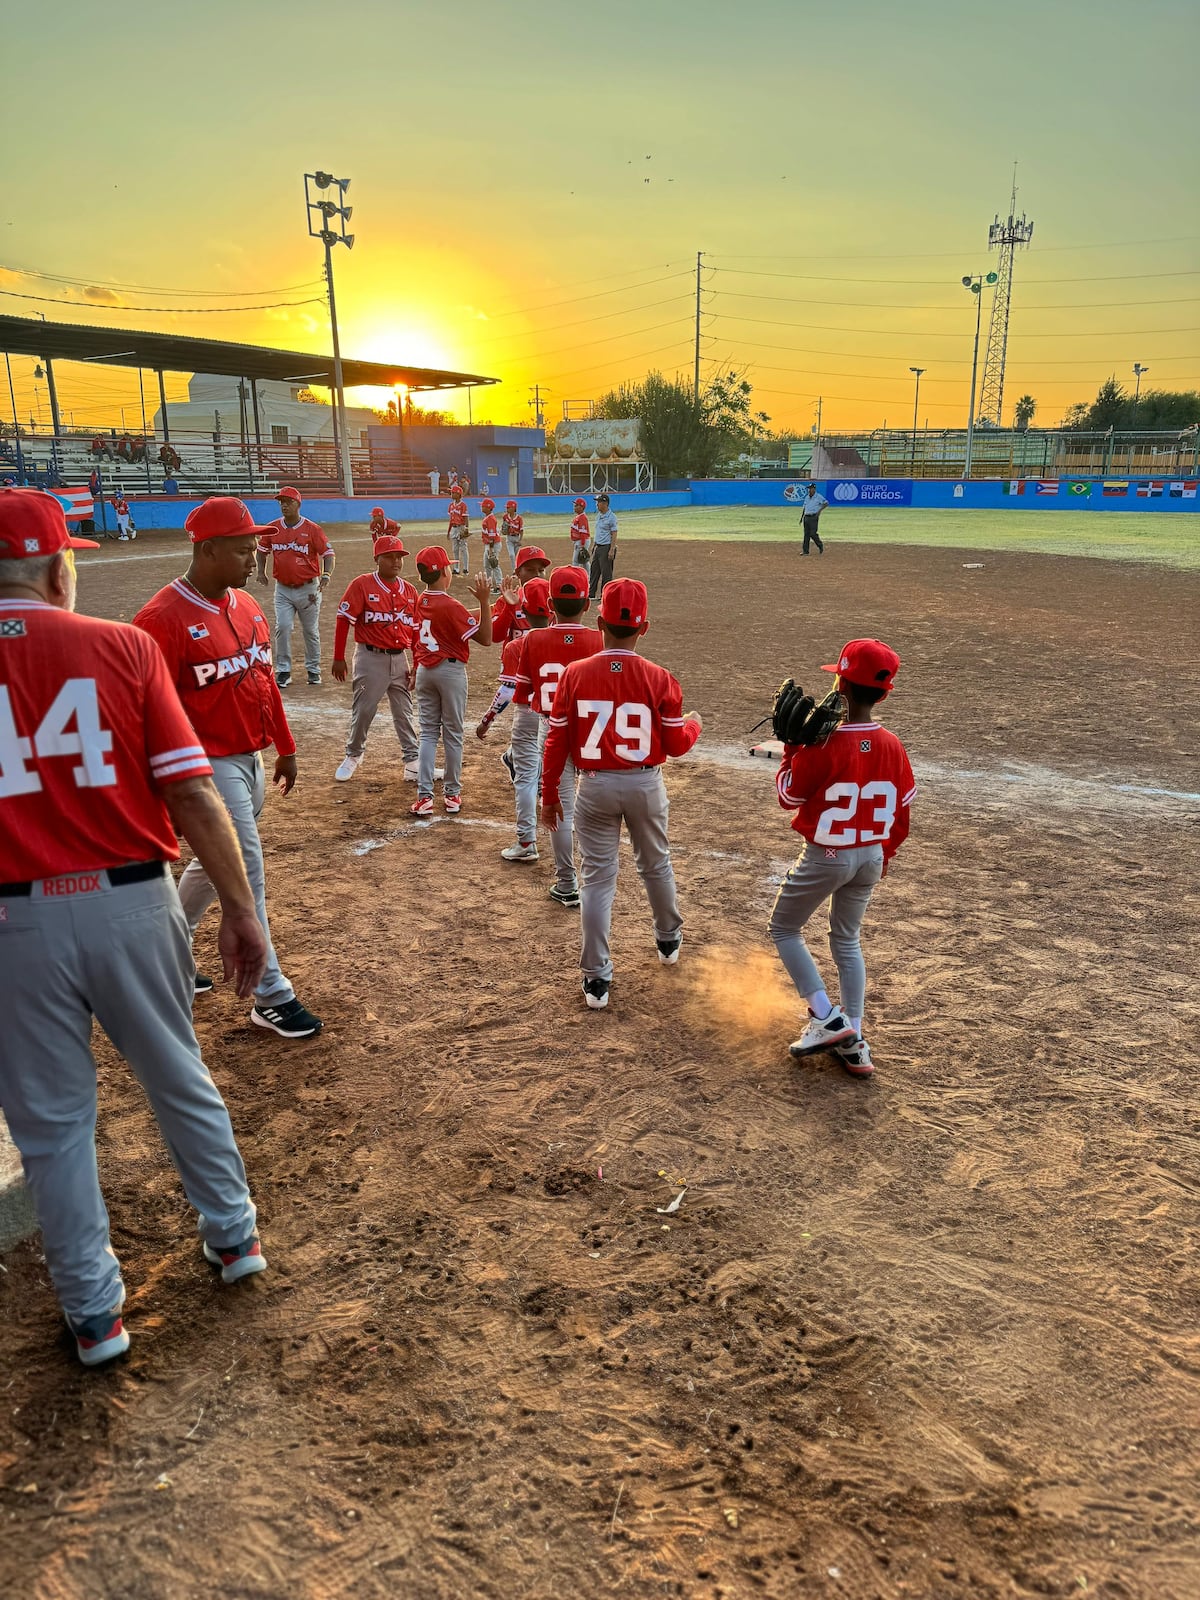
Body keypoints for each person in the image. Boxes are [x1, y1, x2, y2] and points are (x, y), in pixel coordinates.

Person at [0, 487, 270, 1367]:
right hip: (129, 899)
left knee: (51, 1126)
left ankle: (95, 1315)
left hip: (12, 925)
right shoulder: (120, 645)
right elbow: (192, 791)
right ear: (53, 564)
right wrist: (237, 905)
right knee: (174, 1074)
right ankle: (233, 1238)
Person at [133, 496, 323, 1040]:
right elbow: (140, 713)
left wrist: (284, 746)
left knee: (218, 864)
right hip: (204, 765)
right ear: (208, 550)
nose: (254, 556)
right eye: (243, 549)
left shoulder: (245, 604)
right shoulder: (160, 619)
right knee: (247, 873)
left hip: (252, 758)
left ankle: (168, 948)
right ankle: (272, 994)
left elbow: (263, 682)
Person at [541, 578, 701, 1009]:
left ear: (599, 623)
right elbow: (676, 746)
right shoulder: (659, 678)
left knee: (596, 880)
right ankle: (668, 939)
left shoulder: (575, 674)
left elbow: (555, 743)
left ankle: (597, 978)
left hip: (593, 786)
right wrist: (694, 724)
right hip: (644, 782)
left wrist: (549, 793)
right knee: (656, 864)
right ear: (643, 627)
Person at [768, 638, 915, 1077]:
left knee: (784, 928)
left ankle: (825, 1016)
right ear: (884, 692)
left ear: (840, 685)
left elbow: (787, 795)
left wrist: (793, 748)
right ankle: (854, 1038)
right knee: (846, 940)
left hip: (826, 855)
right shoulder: (893, 745)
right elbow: (902, 815)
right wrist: (881, 856)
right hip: (870, 854)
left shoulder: (821, 744)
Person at [513, 566, 602, 905]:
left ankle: (567, 882)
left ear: (550, 604)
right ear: (587, 605)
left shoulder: (532, 639)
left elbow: (523, 695)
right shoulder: (598, 639)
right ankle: (596, 881)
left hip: (553, 729)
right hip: (594, 730)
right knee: (596, 804)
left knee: (558, 804)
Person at [331, 533, 421, 783]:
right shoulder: (362, 584)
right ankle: (353, 755)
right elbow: (343, 619)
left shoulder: (410, 591)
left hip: (400, 658)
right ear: (377, 559)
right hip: (370, 657)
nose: (395, 562)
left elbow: (414, 632)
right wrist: (339, 657)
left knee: (404, 712)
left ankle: (412, 762)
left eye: (399, 557)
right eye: (389, 557)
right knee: (364, 709)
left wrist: (416, 664)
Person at [409, 548, 493, 816]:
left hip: (425, 670)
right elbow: (486, 638)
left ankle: (424, 797)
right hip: (450, 673)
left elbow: (452, 615)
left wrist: (492, 606)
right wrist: (484, 601)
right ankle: (452, 794)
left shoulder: (421, 600)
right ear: (444, 573)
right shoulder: (450, 605)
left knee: (428, 732)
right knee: (453, 734)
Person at [476, 578, 553, 863]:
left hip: (528, 713)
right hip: (559, 716)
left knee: (525, 779)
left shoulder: (517, 646)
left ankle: (526, 841)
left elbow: (508, 689)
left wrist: (487, 719)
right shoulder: (574, 640)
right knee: (560, 778)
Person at [255, 486, 334, 686]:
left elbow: (328, 554)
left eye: (288, 502)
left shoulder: (312, 529)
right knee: (282, 626)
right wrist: (260, 571)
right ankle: (283, 670)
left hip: (309, 589)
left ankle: (313, 670)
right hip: (282, 589)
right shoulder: (273, 528)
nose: (284, 505)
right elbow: (262, 551)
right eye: (281, 502)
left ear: (298, 504)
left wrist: (326, 574)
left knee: (310, 630)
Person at [491, 546, 551, 645]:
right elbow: (495, 637)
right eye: (530, 570)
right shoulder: (506, 600)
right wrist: (509, 607)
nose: (537, 574)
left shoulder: (553, 600)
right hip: (515, 658)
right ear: (518, 573)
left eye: (541, 570)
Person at [589, 493, 618, 598]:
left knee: (606, 573)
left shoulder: (611, 517)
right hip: (598, 547)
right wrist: (594, 545)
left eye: (599, 502)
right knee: (594, 571)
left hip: (606, 547)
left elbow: (614, 533)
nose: (597, 504)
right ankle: (591, 594)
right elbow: (598, 532)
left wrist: (611, 549)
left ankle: (605, 595)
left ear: (605, 503)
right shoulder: (599, 516)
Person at [480, 497, 503, 594]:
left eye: (483, 506)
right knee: (487, 565)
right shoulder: (487, 518)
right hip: (489, 545)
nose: (481, 507)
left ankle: (499, 586)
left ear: (489, 508)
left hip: (493, 545)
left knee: (494, 564)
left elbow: (492, 536)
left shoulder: (491, 519)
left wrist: (491, 550)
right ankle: (489, 585)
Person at [446, 485, 471, 575]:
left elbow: (466, 517)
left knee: (463, 548)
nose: (451, 494)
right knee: (455, 549)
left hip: (461, 527)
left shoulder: (463, 505)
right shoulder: (451, 506)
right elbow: (451, 520)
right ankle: (456, 568)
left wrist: (466, 528)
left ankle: (465, 568)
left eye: (453, 493)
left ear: (458, 494)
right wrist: (448, 531)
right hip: (454, 528)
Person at [800, 482, 829, 555]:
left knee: (812, 533)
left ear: (814, 489)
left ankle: (820, 545)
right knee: (806, 535)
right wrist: (802, 517)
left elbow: (826, 503)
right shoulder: (807, 497)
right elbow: (804, 507)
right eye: (809, 489)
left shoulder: (818, 497)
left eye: (811, 489)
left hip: (813, 517)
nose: (809, 490)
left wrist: (819, 512)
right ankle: (805, 551)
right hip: (806, 517)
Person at [501, 499, 524, 571]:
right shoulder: (505, 517)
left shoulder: (519, 518)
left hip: (517, 538)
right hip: (509, 538)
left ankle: (518, 568)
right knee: (511, 555)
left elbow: (521, 530)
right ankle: (514, 571)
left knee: (517, 556)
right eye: (506, 507)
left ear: (513, 508)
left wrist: (520, 540)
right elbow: (503, 527)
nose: (507, 509)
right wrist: (503, 531)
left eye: (508, 507)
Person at [569, 496, 591, 568]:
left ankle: (581, 576)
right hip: (579, 541)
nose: (574, 507)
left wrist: (582, 545)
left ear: (582, 507)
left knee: (576, 561)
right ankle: (588, 576)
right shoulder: (578, 516)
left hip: (581, 540)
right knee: (584, 560)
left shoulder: (582, 517)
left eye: (576, 505)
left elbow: (583, 532)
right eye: (574, 505)